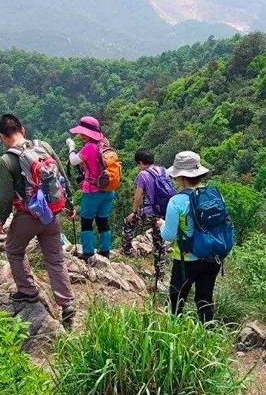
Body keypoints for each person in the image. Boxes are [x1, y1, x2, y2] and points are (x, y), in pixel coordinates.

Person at [0, 114, 77, 330]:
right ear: (23, 129)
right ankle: (66, 303)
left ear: (2, 136)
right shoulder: (44, 146)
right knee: (55, 258)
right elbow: (61, 178)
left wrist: (0, 219)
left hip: (28, 216)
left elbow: (5, 196)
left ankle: (28, 292)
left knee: (14, 249)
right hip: (52, 213)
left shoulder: (7, 161)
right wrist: (70, 205)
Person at [158, 151, 221, 322]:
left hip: (186, 259)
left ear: (181, 177)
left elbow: (169, 236)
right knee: (204, 299)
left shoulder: (177, 201)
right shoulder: (213, 194)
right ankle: (209, 335)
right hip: (212, 256)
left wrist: (161, 225)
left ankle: (172, 336)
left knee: (176, 299)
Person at [66, 116, 116, 260]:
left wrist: (71, 147)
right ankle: (105, 250)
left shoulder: (89, 147)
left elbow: (73, 161)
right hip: (107, 189)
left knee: (86, 220)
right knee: (103, 220)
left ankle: (88, 252)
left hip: (93, 191)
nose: (81, 135)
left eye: (83, 133)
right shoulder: (104, 142)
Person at [122, 148, 171, 281]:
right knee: (159, 242)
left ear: (140, 162)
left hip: (149, 212)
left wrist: (133, 212)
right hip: (163, 213)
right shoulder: (163, 170)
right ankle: (160, 274)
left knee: (128, 223)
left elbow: (138, 197)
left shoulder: (143, 175)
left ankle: (126, 251)